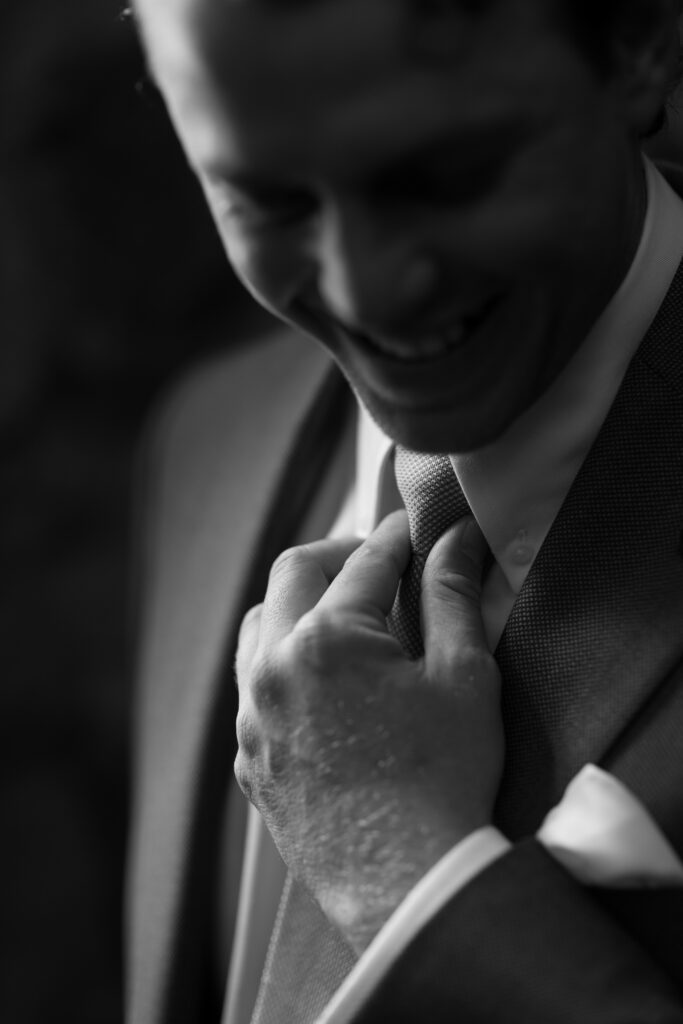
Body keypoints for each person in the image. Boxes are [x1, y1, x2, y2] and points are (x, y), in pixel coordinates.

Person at [126, 1, 683, 1022]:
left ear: (639, 43)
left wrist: (400, 867)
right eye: (266, 198)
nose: (365, 287)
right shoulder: (206, 441)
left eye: (444, 176)